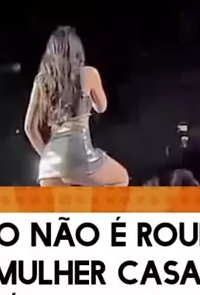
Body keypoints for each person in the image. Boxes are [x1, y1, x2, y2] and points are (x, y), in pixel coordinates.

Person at [24, 26, 129, 186]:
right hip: (79, 154)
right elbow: (101, 107)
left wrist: (48, 158)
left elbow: (29, 128)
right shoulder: (88, 73)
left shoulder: (41, 81)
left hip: (48, 165)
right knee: (121, 179)